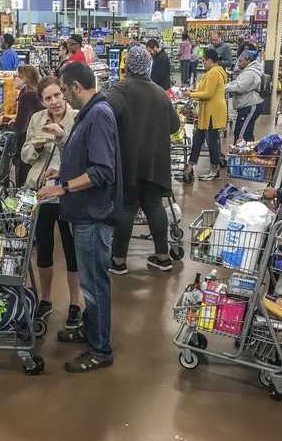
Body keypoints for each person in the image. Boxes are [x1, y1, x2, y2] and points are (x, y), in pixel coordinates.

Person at [37, 62, 122, 373]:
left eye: (64, 90)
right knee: (89, 281)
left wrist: (63, 188)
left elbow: (102, 171)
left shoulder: (98, 114)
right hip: (85, 211)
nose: (63, 98)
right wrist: (64, 170)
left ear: (74, 87)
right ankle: (90, 330)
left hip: (93, 214)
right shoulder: (92, 113)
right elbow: (86, 157)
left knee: (94, 284)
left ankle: (100, 349)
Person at [105, 45, 180, 274]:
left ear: (127, 65)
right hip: (156, 161)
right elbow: (175, 125)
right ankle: (162, 256)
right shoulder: (159, 93)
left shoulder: (120, 90)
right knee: (154, 206)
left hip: (129, 160)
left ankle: (118, 261)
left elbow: (105, 115)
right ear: (149, 65)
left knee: (127, 208)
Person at [21, 76, 82, 330]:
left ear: (64, 92)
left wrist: (62, 137)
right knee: (44, 250)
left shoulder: (79, 118)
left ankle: (75, 303)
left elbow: (83, 156)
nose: (54, 102)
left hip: (69, 194)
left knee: (72, 252)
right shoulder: (37, 120)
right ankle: (45, 299)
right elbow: (24, 155)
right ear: (42, 101)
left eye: (57, 95)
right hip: (42, 194)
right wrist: (37, 145)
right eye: (48, 98)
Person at [183, 48, 228, 182]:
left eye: (204, 60)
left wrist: (190, 94)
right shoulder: (213, 72)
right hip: (207, 113)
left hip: (212, 113)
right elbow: (205, 90)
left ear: (209, 60)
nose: (202, 63)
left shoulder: (214, 73)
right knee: (197, 140)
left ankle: (215, 170)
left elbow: (208, 93)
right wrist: (194, 90)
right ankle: (189, 168)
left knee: (212, 142)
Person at [11, 65, 42, 187]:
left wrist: (8, 125)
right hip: (38, 142)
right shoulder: (34, 93)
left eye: (16, 76)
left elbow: (20, 127)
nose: (13, 79)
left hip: (28, 145)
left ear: (25, 79)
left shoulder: (26, 96)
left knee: (23, 179)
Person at [225, 49, 264, 144]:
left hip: (250, 106)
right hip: (248, 105)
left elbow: (240, 87)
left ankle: (239, 157)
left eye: (241, 61)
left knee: (241, 135)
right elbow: (238, 83)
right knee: (247, 133)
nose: (238, 63)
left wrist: (224, 88)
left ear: (248, 60)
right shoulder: (248, 71)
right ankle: (248, 156)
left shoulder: (250, 72)